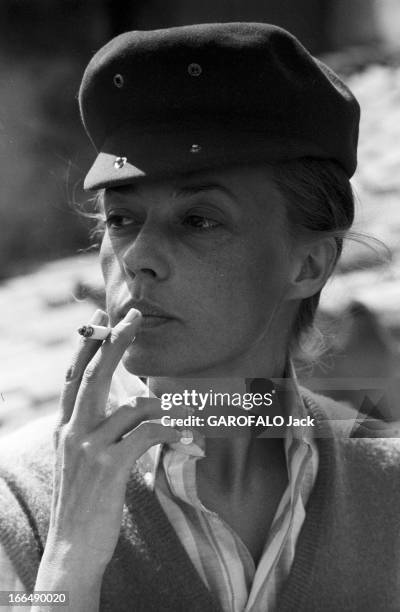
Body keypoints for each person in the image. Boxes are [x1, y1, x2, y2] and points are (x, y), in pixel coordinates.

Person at [0, 22, 399, 612]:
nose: (138, 258)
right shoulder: (17, 500)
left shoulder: (387, 488)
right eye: (121, 219)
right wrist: (68, 559)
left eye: (199, 220)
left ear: (309, 264)